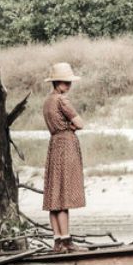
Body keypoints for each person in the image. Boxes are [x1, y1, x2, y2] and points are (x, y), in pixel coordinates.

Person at [42, 62, 85, 253]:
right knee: (64, 193)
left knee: (54, 194)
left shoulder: (47, 101)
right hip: (66, 145)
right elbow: (80, 123)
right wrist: (72, 127)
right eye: (66, 82)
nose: (69, 86)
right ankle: (66, 241)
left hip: (54, 145)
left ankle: (58, 240)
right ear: (58, 83)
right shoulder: (62, 100)